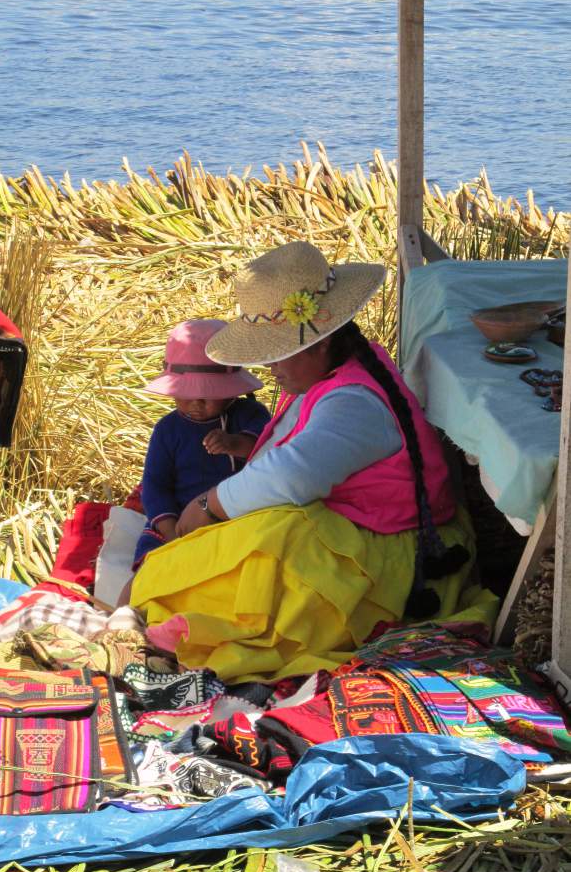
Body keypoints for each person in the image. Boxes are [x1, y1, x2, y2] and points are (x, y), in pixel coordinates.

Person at [130, 242, 495, 683]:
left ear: (321, 343)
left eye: (277, 352)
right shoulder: (329, 377)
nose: (268, 368)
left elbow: (291, 474)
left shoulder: (354, 403)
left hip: (394, 557)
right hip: (363, 529)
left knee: (279, 533)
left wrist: (209, 505)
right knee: (263, 530)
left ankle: (203, 618)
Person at [132, 319, 271, 568]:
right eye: (185, 394)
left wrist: (235, 444)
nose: (195, 403)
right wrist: (172, 532)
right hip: (178, 521)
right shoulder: (167, 430)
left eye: (207, 394)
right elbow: (155, 487)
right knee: (153, 564)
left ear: (231, 390)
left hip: (236, 517)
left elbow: (269, 455)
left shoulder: (250, 414)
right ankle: (131, 605)